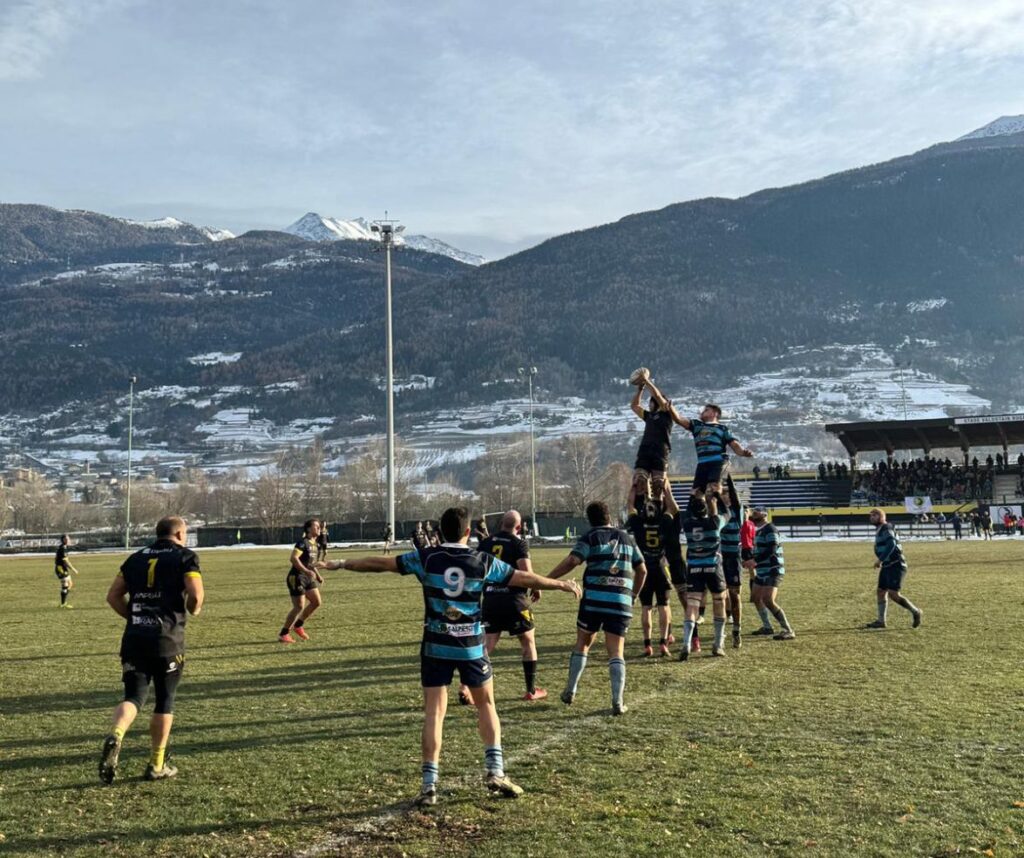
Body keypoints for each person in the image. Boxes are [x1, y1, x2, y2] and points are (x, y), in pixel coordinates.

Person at [320, 506, 580, 806]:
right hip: (470, 645)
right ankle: (495, 771)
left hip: (435, 644)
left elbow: (381, 563)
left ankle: (429, 786)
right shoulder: (482, 561)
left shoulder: (427, 557)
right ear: (468, 532)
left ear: (440, 531)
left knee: (434, 713)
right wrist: (561, 583)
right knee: (486, 704)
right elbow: (525, 578)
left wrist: (341, 563)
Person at [98, 516, 204, 783]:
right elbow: (196, 595)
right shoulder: (185, 557)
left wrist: (134, 618)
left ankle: (117, 733)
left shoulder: (135, 557)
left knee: (133, 696)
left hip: (135, 638)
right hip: (167, 640)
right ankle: (157, 763)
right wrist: (194, 608)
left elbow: (113, 596)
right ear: (180, 534)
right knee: (164, 700)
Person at [548, 501, 647, 715]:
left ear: (589, 520)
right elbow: (642, 571)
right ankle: (617, 701)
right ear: (609, 516)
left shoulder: (591, 537)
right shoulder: (628, 538)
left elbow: (573, 560)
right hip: (620, 601)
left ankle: (570, 690)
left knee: (583, 644)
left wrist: (546, 579)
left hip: (593, 600)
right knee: (616, 651)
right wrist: (633, 595)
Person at [472, 510, 547, 701]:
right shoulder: (518, 543)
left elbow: (477, 569)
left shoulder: (486, 542)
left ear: (500, 524)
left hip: (490, 599)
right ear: (519, 527)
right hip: (514, 600)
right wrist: (536, 588)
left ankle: (467, 687)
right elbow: (526, 574)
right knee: (528, 642)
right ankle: (531, 691)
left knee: (487, 645)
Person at [665, 486, 728, 659]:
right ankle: (718, 644)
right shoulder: (714, 522)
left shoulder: (687, 522)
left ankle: (686, 644)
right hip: (713, 567)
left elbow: (678, 511)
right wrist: (716, 497)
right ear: (706, 509)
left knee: (692, 605)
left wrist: (691, 498)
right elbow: (727, 513)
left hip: (693, 568)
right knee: (719, 601)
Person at [625, 484, 674, 657]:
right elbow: (671, 507)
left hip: (644, 567)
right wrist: (666, 489)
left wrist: (633, 487)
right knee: (664, 606)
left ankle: (647, 644)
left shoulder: (637, 522)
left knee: (646, 607)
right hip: (660, 567)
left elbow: (630, 505)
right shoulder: (664, 521)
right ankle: (663, 641)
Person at [673, 404, 754, 495]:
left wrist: (743, 452)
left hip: (718, 462)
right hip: (702, 464)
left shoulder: (722, 428)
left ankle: (722, 494)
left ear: (714, 413)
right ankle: (721, 494)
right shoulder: (696, 425)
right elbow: (678, 419)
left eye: (706, 410)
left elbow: (734, 444)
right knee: (696, 494)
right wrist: (669, 408)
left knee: (712, 490)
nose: (702, 412)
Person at [864, 509, 922, 630]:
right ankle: (881, 621)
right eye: (871, 516)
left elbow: (891, 544)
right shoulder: (879, 529)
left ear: (881, 517)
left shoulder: (886, 527)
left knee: (893, 594)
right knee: (881, 591)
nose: (872, 517)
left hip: (896, 565)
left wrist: (880, 559)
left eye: (874, 515)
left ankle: (916, 611)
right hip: (887, 565)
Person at [744, 507, 795, 640]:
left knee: (768, 600)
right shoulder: (756, 531)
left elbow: (772, 549)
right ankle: (767, 627)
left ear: (765, 514)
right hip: (761, 569)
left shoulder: (770, 529)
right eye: (753, 512)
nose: (754, 513)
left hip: (773, 569)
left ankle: (788, 630)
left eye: (757, 511)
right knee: (755, 598)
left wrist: (754, 561)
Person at [628, 370, 679, 499]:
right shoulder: (649, 416)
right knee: (640, 480)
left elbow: (657, 395)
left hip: (660, 451)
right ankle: (645, 502)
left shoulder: (667, 414)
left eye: (651, 402)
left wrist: (647, 380)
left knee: (658, 485)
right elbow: (634, 406)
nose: (649, 404)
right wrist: (640, 390)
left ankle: (659, 505)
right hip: (645, 449)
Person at [278, 519, 324, 644]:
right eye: (316, 526)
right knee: (299, 606)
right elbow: (293, 558)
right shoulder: (302, 543)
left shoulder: (316, 545)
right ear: (308, 529)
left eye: (319, 526)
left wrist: (318, 576)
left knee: (316, 602)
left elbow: (311, 563)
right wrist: (306, 571)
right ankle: (284, 634)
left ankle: (298, 625)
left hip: (307, 577)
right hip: (296, 577)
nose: (319, 528)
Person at [719, 477, 746, 648]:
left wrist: (727, 477)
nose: (726, 496)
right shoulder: (718, 512)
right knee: (720, 596)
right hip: (719, 558)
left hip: (734, 558)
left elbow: (734, 496)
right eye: (724, 494)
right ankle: (720, 632)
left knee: (735, 595)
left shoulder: (737, 511)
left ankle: (737, 630)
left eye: (728, 494)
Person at [54, 534, 80, 608]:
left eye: (69, 538)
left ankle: (63, 602)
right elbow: (65, 561)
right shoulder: (62, 548)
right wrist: (73, 569)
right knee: (65, 585)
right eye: (67, 539)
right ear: (63, 540)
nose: (69, 540)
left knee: (70, 584)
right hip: (60, 569)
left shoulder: (64, 547)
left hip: (63, 568)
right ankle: (63, 604)